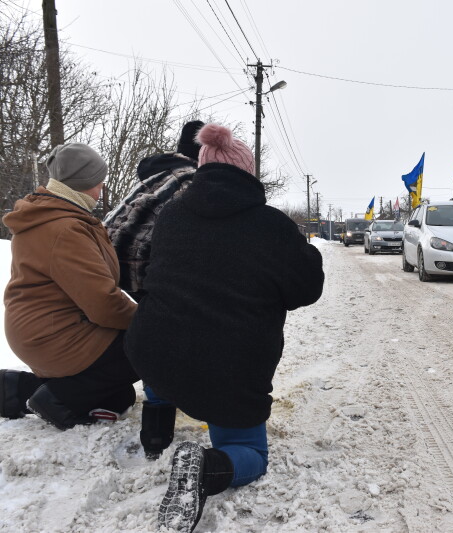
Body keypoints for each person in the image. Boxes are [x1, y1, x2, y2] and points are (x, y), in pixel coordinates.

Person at [125, 124, 324, 532]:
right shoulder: (271, 225)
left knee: (165, 353)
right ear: (248, 174)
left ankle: (156, 434)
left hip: (152, 350)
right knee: (248, 450)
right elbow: (307, 289)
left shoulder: (172, 215)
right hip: (228, 368)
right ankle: (208, 467)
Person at [0, 143, 139, 430]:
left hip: (38, 328)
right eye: (99, 183)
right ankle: (55, 399)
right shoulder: (66, 228)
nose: (101, 190)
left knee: (119, 397)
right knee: (149, 345)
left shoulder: (51, 214)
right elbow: (103, 304)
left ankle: (16, 389)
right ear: (84, 183)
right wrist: (148, 320)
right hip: (55, 334)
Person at [103, 119, 204, 457]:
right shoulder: (192, 181)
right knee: (168, 334)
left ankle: (159, 417)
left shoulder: (157, 172)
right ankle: (160, 423)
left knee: (155, 332)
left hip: (110, 263)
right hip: (147, 267)